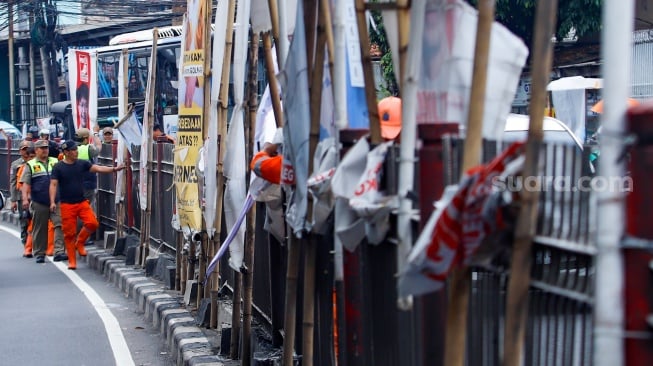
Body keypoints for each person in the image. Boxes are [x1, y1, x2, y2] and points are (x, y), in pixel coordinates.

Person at [50, 140, 125, 270]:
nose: (76, 152)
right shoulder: (58, 167)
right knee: (69, 233)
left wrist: (114, 169)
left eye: (76, 149)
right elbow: (53, 184)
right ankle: (72, 261)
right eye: (73, 150)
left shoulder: (82, 164)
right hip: (66, 204)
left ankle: (80, 242)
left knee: (92, 223)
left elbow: (98, 168)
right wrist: (52, 201)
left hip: (81, 201)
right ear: (66, 152)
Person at [20, 139, 67, 264]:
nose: (45, 150)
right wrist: (25, 198)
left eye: (46, 147)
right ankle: (40, 253)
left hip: (56, 200)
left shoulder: (55, 161)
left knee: (59, 224)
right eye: (42, 148)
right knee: (40, 228)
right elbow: (25, 183)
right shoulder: (30, 165)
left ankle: (59, 251)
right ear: (36, 150)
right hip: (39, 201)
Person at [10, 140, 34, 250]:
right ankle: (25, 242)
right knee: (24, 219)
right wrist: (13, 200)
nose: (26, 152)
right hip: (21, 197)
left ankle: (36, 242)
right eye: (24, 149)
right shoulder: (15, 165)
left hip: (35, 195)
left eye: (27, 149)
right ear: (20, 151)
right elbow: (13, 182)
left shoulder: (35, 162)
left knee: (36, 220)